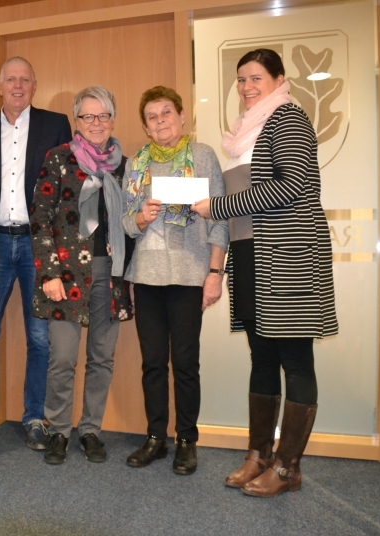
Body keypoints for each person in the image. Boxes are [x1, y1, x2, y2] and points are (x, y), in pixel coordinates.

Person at [192, 48, 337, 497]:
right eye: (240, 80)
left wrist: (218, 206)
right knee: (262, 358)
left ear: (278, 79)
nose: (246, 87)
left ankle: (288, 468)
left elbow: (294, 185)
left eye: (256, 78)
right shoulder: (244, 132)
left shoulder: (288, 118)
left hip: (288, 255)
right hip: (252, 254)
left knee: (295, 360)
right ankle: (259, 454)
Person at [0, 56, 72, 448]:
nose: (18, 85)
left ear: (34, 85)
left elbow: (65, 186)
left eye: (25, 79)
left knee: (40, 339)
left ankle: (34, 417)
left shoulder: (55, 124)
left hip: (36, 245)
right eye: (11, 79)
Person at [121, 86, 228, 475]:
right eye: (152, 116)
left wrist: (215, 274)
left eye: (167, 112)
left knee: (184, 362)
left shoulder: (202, 156)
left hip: (189, 273)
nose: (160, 120)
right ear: (146, 127)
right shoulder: (136, 163)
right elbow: (125, 225)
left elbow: (219, 218)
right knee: (152, 363)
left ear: (182, 116)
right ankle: (155, 438)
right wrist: (141, 218)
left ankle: (187, 440)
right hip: (147, 275)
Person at [30, 86, 132, 465]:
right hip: (65, 274)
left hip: (111, 272)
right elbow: (40, 220)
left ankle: (90, 429)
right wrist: (49, 274)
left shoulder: (126, 165)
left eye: (103, 115)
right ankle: (58, 430)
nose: (96, 123)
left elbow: (132, 222)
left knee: (102, 358)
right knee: (62, 359)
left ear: (112, 119)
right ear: (77, 121)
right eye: (88, 116)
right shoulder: (58, 159)